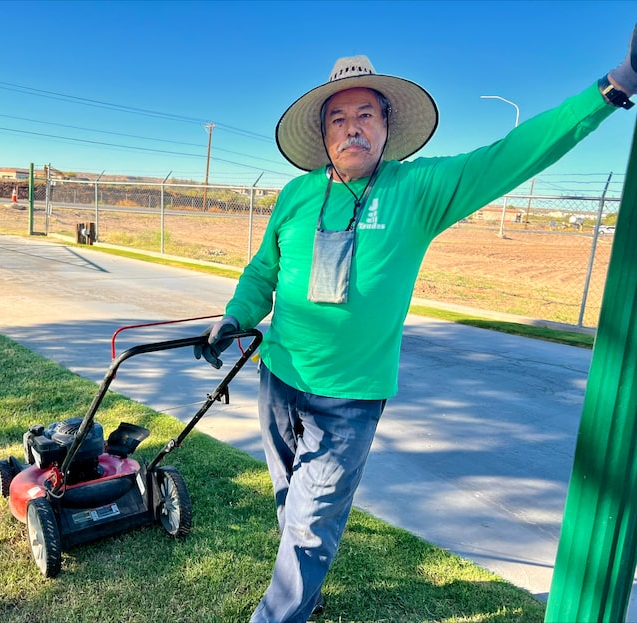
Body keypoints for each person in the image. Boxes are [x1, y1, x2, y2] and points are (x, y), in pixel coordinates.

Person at [195, 26, 637, 623]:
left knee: (310, 516)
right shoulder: (297, 194)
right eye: (338, 119)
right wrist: (236, 316)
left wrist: (611, 89)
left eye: (366, 115)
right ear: (323, 135)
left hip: (350, 395)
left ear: (385, 128)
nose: (352, 127)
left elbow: (513, 154)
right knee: (289, 501)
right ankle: (307, 590)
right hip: (278, 377)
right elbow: (262, 271)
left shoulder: (418, 189)